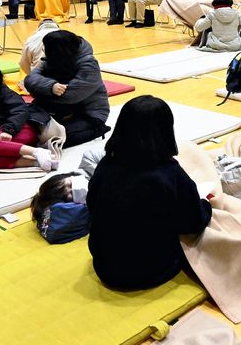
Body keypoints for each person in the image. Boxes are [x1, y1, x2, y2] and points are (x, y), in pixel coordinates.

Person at [86, 95, 211, 290]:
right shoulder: (170, 173)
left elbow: (92, 205)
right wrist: (206, 205)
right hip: (152, 270)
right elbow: (192, 224)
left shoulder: (106, 165)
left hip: (104, 265)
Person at [24, 30, 110, 147]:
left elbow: (70, 96)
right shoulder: (54, 58)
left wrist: (39, 91)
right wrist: (50, 86)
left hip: (88, 113)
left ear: (57, 50)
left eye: (45, 47)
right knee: (25, 126)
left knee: (54, 140)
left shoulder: (88, 64)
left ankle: (98, 129)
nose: (43, 50)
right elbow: (29, 80)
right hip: (57, 109)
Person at [0, 63, 56, 170]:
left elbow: (20, 111)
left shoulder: (3, 94)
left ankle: (37, 152)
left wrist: (8, 130)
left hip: (20, 128)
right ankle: (41, 162)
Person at [19, 20, 60, 89]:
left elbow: (24, 64)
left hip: (39, 80)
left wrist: (32, 75)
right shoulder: (67, 36)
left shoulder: (31, 39)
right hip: (66, 80)